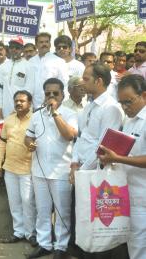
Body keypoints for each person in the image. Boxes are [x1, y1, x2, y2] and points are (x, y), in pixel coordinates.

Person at [70, 63, 125, 259]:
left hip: (96, 173)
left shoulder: (111, 108)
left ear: (99, 81)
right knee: (82, 218)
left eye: (86, 78)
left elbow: (103, 147)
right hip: (81, 171)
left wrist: (83, 171)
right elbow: (82, 137)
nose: (81, 82)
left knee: (97, 221)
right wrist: (75, 163)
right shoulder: (89, 106)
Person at [25, 78, 78, 259]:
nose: (51, 96)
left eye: (55, 93)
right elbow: (28, 137)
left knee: (63, 211)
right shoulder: (36, 115)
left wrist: (55, 113)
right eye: (48, 93)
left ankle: (61, 247)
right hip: (39, 171)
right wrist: (30, 144)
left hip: (61, 170)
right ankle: (44, 244)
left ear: (63, 94)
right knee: (42, 210)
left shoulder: (70, 113)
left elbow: (69, 135)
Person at [98, 74, 146, 259]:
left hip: (142, 197)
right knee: (134, 246)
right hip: (129, 194)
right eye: (121, 103)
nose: (125, 108)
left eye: (129, 102)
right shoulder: (129, 120)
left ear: (144, 96)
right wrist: (111, 158)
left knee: (139, 248)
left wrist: (118, 158)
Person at [0, 90, 37, 247]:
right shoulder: (9, 120)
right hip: (10, 168)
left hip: (28, 168)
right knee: (14, 202)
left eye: (22, 101)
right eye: (16, 101)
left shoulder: (35, 119)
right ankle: (18, 232)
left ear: (30, 103)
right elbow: (2, 143)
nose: (18, 103)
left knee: (28, 202)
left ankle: (31, 233)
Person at [0, 38, 34, 119]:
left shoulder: (29, 66)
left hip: (23, 108)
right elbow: (0, 90)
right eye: (12, 47)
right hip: (6, 109)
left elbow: (29, 89)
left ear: (22, 49)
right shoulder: (2, 67)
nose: (14, 50)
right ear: (9, 49)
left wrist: (20, 107)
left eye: (17, 48)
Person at [30, 32, 69, 108]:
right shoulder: (30, 62)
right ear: (36, 45)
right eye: (41, 42)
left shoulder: (59, 61)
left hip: (53, 104)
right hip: (33, 106)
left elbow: (65, 85)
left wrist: (61, 104)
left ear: (50, 44)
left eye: (47, 42)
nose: (44, 44)